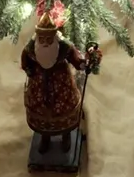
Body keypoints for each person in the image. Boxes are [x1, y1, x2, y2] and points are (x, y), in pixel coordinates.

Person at [21, 12, 88, 153]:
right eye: (42, 38)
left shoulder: (64, 46)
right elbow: (25, 59)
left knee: (64, 109)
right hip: (39, 84)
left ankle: (66, 135)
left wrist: (84, 63)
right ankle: (45, 137)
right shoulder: (32, 46)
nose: (45, 42)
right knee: (42, 111)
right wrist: (29, 70)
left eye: (49, 38)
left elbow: (76, 60)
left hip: (62, 84)